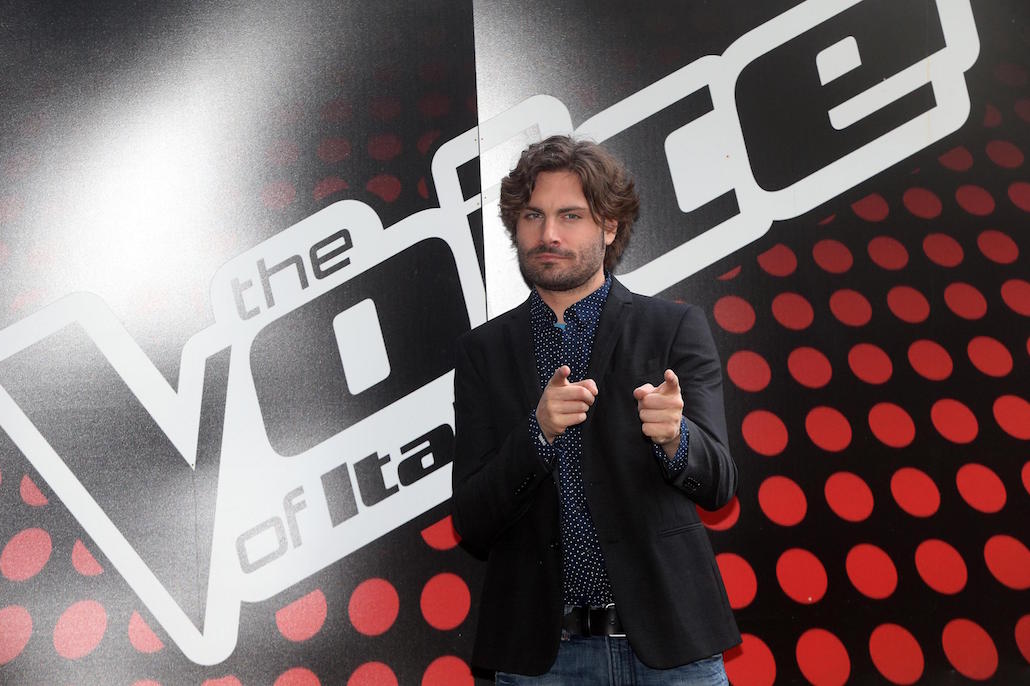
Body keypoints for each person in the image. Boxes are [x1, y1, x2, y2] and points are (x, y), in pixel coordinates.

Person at [451, 135, 740, 685]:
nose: (548, 234)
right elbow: (472, 521)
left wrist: (676, 440)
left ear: (609, 226)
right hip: (544, 660)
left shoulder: (673, 328)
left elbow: (720, 485)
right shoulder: (483, 352)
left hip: (671, 648)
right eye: (532, 216)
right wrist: (537, 434)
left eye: (570, 215)